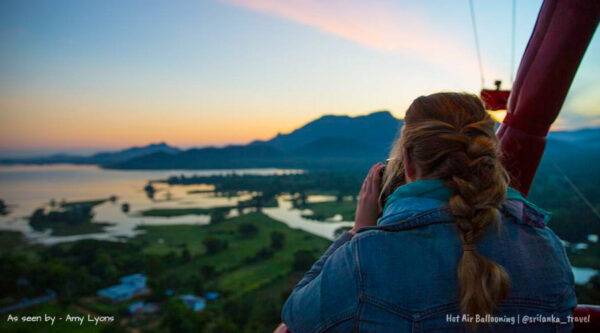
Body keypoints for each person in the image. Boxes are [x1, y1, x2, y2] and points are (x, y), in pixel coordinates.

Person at [280, 93, 576, 332]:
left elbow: (296, 315)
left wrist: (358, 230)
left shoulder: (365, 256)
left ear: (407, 160)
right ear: (491, 157)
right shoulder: (547, 247)